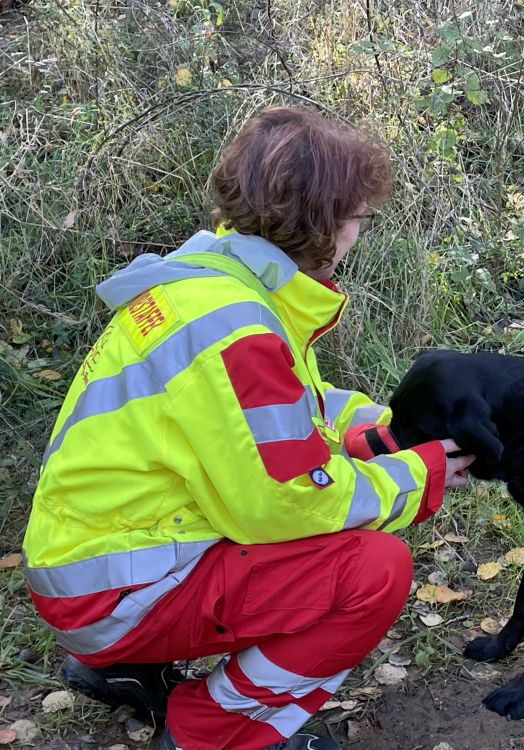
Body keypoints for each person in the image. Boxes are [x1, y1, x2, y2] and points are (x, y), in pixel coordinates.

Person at [21, 106, 475, 750]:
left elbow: (297, 413)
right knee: (373, 569)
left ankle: (120, 666)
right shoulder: (240, 326)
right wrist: (419, 474)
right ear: (325, 223)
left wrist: (390, 426)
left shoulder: (210, 287)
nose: (358, 233)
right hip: (118, 590)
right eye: (358, 218)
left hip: (90, 561)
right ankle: (213, 731)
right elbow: (286, 503)